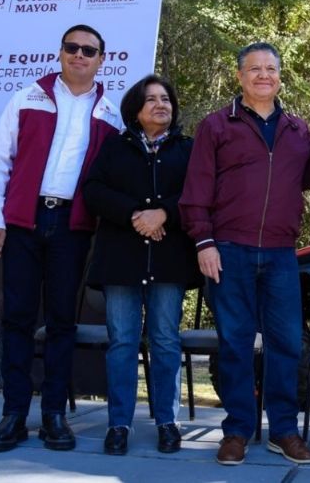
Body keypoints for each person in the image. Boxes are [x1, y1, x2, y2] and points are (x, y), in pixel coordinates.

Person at [179, 42, 310, 466]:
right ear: (240, 76)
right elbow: (196, 191)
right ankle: (238, 430)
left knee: (286, 343)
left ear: (280, 76)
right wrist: (204, 241)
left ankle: (283, 431)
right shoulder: (216, 126)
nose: (264, 75)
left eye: (271, 69)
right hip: (228, 249)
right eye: (255, 69)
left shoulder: (297, 131)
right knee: (236, 343)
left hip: (281, 253)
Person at [0, 24, 122, 452]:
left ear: (101, 59)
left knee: (62, 321)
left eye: (88, 50)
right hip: (23, 221)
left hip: (72, 227)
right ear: (60, 53)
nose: (79, 55)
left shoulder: (110, 114)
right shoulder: (27, 97)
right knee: (18, 318)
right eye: (71, 48)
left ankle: (55, 415)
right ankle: (14, 414)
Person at [83, 75, 203, 455]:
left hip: (168, 262)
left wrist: (163, 213)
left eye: (166, 99)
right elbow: (94, 191)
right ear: (135, 109)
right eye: (150, 99)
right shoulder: (114, 147)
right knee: (122, 342)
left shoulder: (188, 148)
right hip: (121, 261)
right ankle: (119, 424)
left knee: (166, 341)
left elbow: (199, 193)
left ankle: (167, 422)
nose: (160, 105)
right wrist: (135, 214)